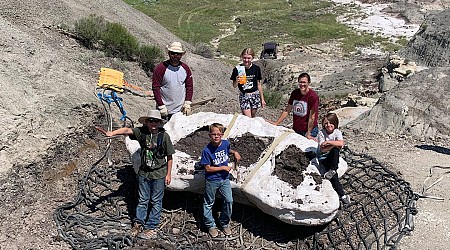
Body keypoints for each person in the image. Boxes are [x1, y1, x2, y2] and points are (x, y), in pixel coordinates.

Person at [99, 110, 175, 239]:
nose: (153, 123)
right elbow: (126, 130)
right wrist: (113, 133)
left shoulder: (164, 136)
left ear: (159, 123)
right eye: (150, 121)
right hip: (144, 173)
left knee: (156, 201)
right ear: (146, 122)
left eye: (156, 121)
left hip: (159, 173)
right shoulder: (142, 133)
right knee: (143, 200)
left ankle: (151, 227)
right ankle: (138, 224)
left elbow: (170, 156)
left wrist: (168, 174)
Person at [200, 123, 241, 238]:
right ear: (209, 135)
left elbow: (228, 150)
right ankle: (210, 225)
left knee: (229, 200)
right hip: (212, 180)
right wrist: (223, 167)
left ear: (222, 134)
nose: (216, 136)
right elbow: (207, 168)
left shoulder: (226, 144)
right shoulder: (207, 151)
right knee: (208, 203)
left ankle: (224, 222)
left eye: (218, 134)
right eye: (213, 134)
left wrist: (235, 152)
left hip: (224, 179)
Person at [268, 72, 319, 140]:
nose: (302, 84)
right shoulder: (295, 93)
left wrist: (308, 133)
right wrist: (276, 123)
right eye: (300, 82)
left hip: (309, 130)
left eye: (304, 82)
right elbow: (287, 110)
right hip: (297, 129)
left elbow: (312, 117)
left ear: (308, 82)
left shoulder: (313, 97)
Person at [152, 41, 194, 120]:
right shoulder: (161, 68)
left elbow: (189, 86)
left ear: (181, 55)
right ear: (169, 53)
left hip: (180, 110)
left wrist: (187, 102)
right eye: (173, 53)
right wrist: (161, 105)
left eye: (178, 54)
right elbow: (155, 87)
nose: (175, 56)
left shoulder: (185, 68)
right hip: (165, 110)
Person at [317, 112, 350, 206]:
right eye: (326, 123)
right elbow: (322, 148)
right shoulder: (321, 133)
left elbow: (341, 144)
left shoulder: (337, 132)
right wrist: (334, 143)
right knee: (333, 177)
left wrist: (328, 143)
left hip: (332, 157)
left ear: (335, 123)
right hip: (323, 158)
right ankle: (343, 196)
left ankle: (333, 170)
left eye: (330, 123)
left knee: (335, 150)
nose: (328, 125)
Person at [230, 48, 266, 117]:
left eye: (249, 58)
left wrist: (262, 99)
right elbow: (234, 85)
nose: (246, 60)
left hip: (255, 95)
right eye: (244, 58)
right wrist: (237, 81)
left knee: (252, 116)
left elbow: (259, 84)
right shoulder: (237, 69)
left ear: (252, 58)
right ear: (242, 57)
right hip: (244, 95)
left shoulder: (256, 69)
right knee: (248, 117)